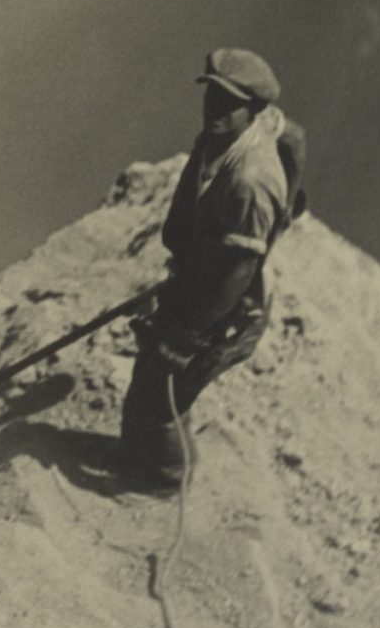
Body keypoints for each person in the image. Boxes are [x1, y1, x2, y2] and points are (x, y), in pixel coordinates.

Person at [117, 47, 307, 491]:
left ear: (255, 108)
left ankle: (166, 482)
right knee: (155, 377)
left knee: (161, 395)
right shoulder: (221, 137)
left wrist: (185, 337)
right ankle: (141, 460)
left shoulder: (252, 179)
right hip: (200, 284)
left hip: (229, 311)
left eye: (229, 102)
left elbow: (238, 271)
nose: (215, 109)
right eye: (212, 96)